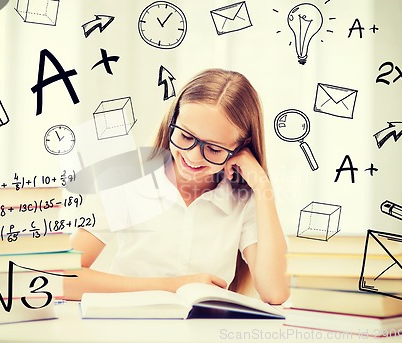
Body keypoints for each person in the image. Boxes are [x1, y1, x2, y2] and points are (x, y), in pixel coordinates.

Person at [64, 68, 289, 305]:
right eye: (185, 137)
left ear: (241, 148)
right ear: (173, 121)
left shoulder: (243, 200)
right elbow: (62, 277)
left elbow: (275, 293)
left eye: (213, 149)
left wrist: (263, 186)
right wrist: (171, 287)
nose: (193, 156)